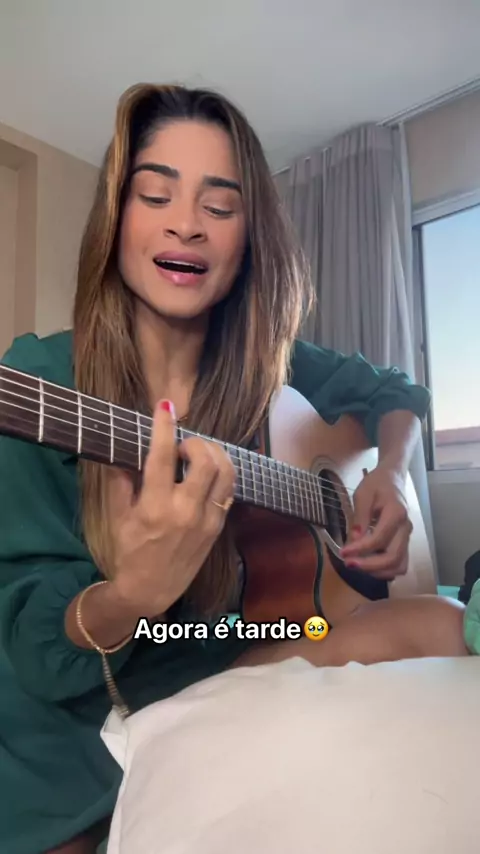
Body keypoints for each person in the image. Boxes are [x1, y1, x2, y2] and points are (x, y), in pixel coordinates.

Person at [0, 83, 469, 854]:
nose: (186, 223)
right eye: (155, 195)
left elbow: (397, 391)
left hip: (230, 639)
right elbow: (39, 654)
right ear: (115, 221)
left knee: (445, 624)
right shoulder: (43, 379)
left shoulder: (269, 364)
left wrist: (389, 472)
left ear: (249, 238)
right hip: (81, 706)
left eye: (219, 206)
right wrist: (133, 593)